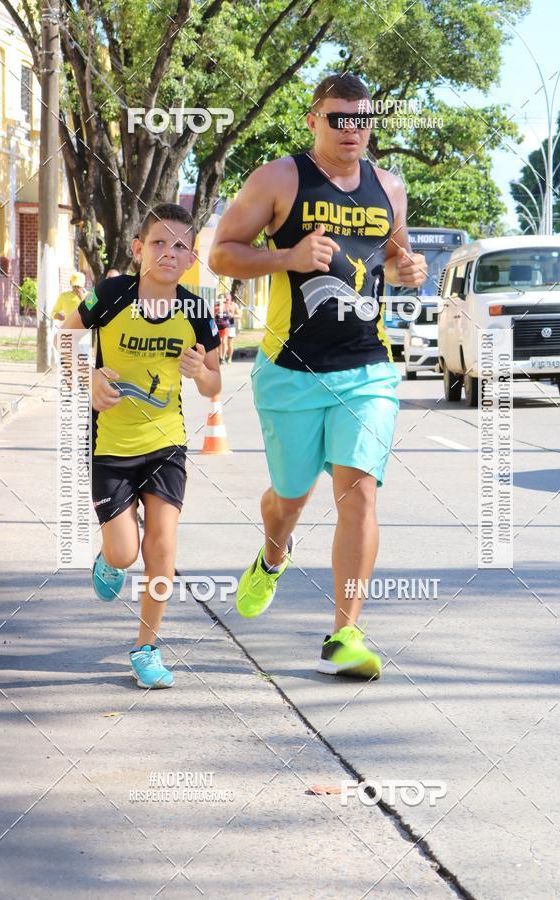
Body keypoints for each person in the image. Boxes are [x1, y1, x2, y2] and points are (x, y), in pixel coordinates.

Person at [209, 73, 426, 680]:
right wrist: (288, 256)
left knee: (360, 493)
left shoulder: (390, 187)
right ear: (313, 120)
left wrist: (408, 269)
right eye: (339, 118)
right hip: (291, 371)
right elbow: (222, 251)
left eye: (362, 118)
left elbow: (392, 252)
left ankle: (345, 633)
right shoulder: (279, 178)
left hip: (367, 368)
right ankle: (273, 554)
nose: (352, 129)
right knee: (289, 497)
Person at [60, 202, 221, 689]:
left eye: (179, 246)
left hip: (166, 444)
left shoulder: (197, 310)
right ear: (137, 250)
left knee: (162, 547)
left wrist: (200, 374)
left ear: (192, 258)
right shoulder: (111, 295)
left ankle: (146, 647)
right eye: (158, 242)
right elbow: (65, 342)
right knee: (127, 552)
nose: (168, 253)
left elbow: (214, 384)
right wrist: (88, 380)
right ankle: (109, 558)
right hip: (111, 444)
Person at [225, 294, 241, 364]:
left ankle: (229, 358)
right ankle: (222, 356)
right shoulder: (222, 304)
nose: (226, 301)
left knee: (229, 342)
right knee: (222, 342)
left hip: (231, 325)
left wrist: (232, 315)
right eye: (225, 299)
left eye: (227, 299)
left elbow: (239, 315)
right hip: (222, 325)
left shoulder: (234, 305)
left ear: (231, 299)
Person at [214, 295, 230, 363]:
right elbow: (212, 316)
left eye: (222, 298)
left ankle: (223, 357)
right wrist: (216, 312)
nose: (221, 300)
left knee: (224, 342)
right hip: (217, 326)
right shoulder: (216, 307)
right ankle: (220, 357)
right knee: (219, 342)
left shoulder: (226, 306)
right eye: (220, 298)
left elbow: (231, 315)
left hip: (225, 326)